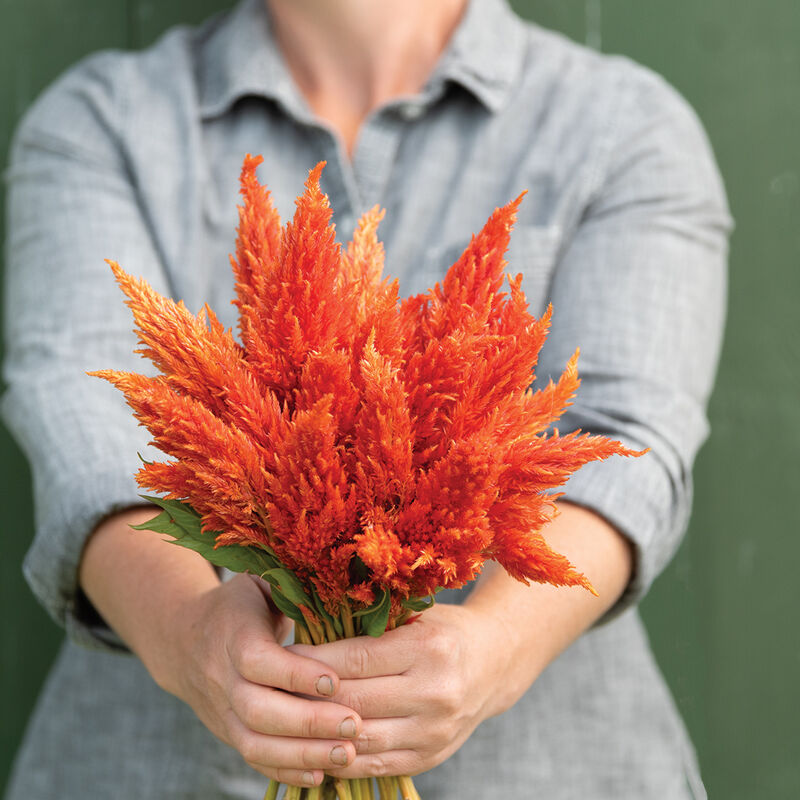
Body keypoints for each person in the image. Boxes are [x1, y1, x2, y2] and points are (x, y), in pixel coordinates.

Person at [2, 0, 731, 797]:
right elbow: (82, 421)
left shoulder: (622, 125)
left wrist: (495, 645)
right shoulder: (103, 120)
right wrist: (189, 636)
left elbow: (628, 440)